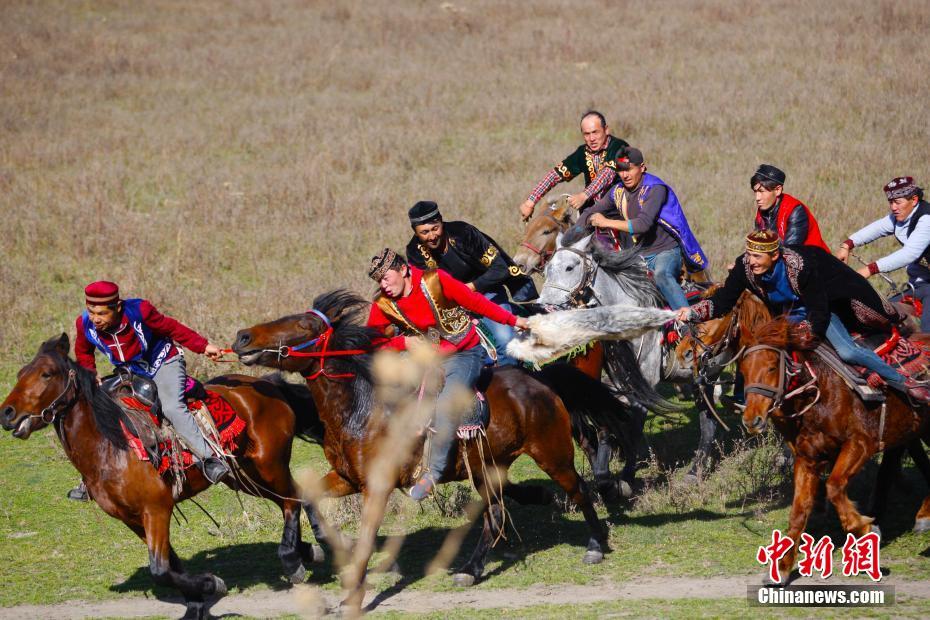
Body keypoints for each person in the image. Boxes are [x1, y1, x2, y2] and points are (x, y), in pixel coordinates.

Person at [675, 231, 930, 403]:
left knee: (847, 351)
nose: (750, 261)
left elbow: (818, 314)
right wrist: (694, 312)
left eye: (757, 256)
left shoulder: (801, 267)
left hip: (817, 308)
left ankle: (902, 381)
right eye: (749, 254)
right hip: (785, 313)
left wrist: (796, 334)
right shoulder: (745, 267)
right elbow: (723, 300)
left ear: (774, 256)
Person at [366, 249, 529, 500]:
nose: (383, 285)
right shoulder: (383, 304)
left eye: (386, 278)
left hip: (464, 353)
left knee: (444, 405)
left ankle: (434, 473)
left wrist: (513, 320)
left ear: (403, 270)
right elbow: (372, 342)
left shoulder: (435, 281)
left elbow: (476, 303)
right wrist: (403, 344)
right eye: (379, 281)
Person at [74, 281, 231, 484]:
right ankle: (91, 477)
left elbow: (172, 328)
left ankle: (210, 460)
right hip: (130, 371)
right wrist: (89, 372)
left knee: (172, 407)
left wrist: (203, 346)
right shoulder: (84, 324)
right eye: (92, 312)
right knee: (98, 409)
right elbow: (83, 351)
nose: (95, 319)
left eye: (102, 314)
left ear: (118, 307)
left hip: (163, 362)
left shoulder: (139, 311)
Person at [405, 200, 536, 365]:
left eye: (435, 228)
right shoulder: (414, 251)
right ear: (415, 232)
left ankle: (510, 382)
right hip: (450, 306)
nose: (432, 236)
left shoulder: (463, 233)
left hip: (487, 292)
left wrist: (469, 288)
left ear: (441, 221)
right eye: (424, 232)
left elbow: (500, 268)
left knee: (505, 342)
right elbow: (425, 289)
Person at [586, 146, 708, 310]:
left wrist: (605, 222)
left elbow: (642, 225)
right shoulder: (618, 191)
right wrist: (572, 236)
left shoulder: (655, 188)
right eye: (620, 170)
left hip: (666, 251)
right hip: (639, 254)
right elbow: (592, 211)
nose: (625, 175)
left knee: (662, 276)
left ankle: (687, 324)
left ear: (642, 168)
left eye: (629, 169)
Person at [836, 176, 930, 331]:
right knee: (884, 314)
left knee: (927, 334)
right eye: (891, 202)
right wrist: (847, 244)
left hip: (927, 286)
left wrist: (869, 269)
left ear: (914, 200)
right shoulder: (900, 216)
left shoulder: (926, 219)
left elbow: (909, 253)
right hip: (920, 283)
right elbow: (877, 228)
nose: (893, 207)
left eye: (898, 202)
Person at [518, 110, 629, 221]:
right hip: (592, 212)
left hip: (621, 210)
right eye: (587, 134)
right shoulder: (582, 152)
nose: (591, 139)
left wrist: (584, 196)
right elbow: (555, 175)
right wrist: (530, 202)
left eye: (595, 132)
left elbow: (607, 174)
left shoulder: (619, 147)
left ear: (606, 130)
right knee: (570, 237)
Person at [751, 164, 830, 251]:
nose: (757, 198)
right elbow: (757, 247)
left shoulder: (795, 211)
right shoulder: (763, 211)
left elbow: (789, 252)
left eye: (761, 191)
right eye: (755, 192)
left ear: (778, 190)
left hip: (816, 262)